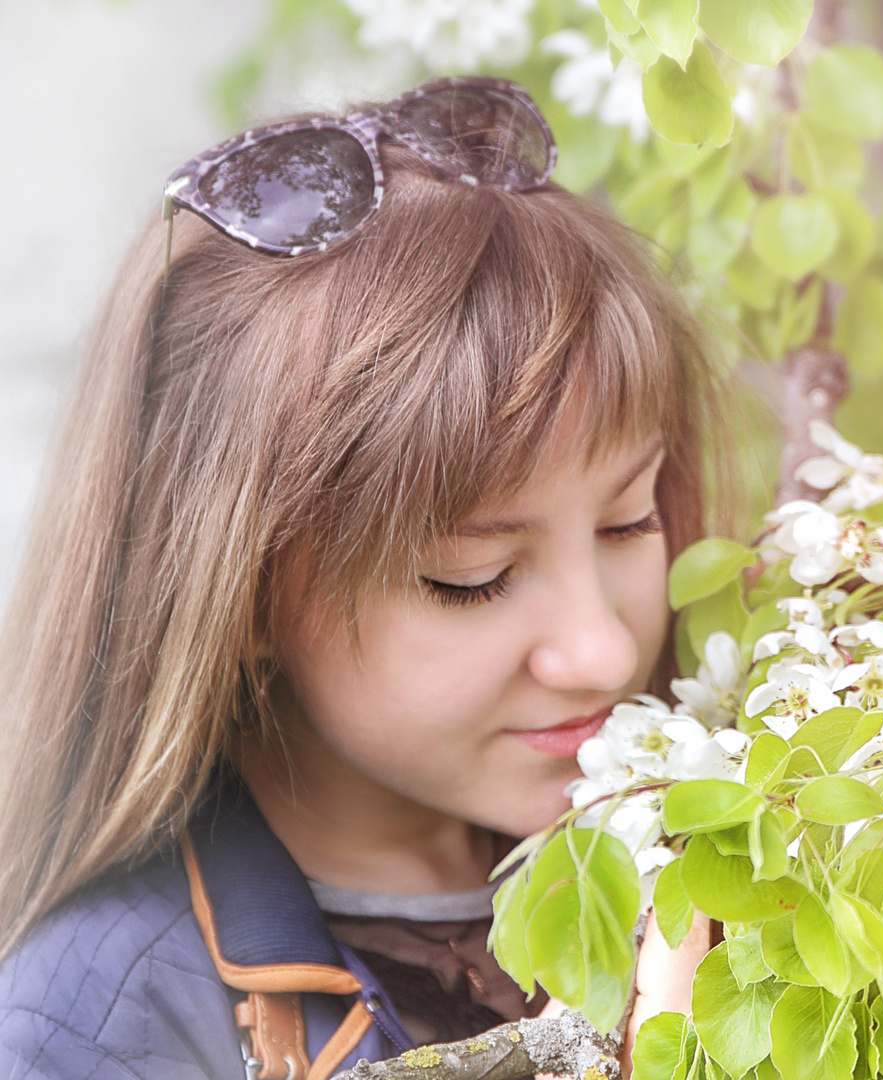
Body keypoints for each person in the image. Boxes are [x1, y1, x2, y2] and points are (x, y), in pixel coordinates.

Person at [0, 77, 736, 1079]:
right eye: (471, 577)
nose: (603, 649)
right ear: (241, 593)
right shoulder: (104, 1021)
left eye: (629, 520)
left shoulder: (738, 845)